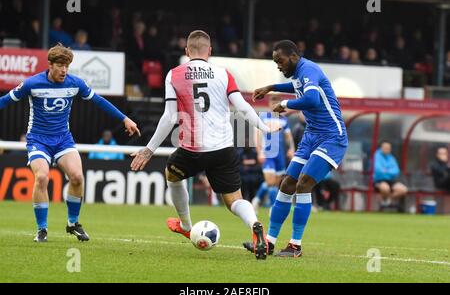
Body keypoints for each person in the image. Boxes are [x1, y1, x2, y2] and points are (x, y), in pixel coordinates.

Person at [130, 30, 279, 260]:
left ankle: (186, 225)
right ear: (209, 51)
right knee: (234, 200)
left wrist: (149, 149)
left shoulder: (174, 74)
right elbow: (243, 106)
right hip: (223, 150)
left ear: (186, 51)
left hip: (192, 150)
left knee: (172, 174)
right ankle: (255, 224)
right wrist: (263, 127)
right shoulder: (223, 74)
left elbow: (169, 117)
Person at [0, 44, 140, 242]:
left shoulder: (75, 83)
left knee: (77, 177)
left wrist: (125, 118)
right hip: (38, 140)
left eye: (67, 66)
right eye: (60, 65)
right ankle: (42, 229)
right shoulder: (32, 84)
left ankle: (73, 224)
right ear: (50, 65)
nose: (64, 70)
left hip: (63, 139)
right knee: (42, 178)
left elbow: (99, 101)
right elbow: (5, 100)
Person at [243, 40, 348, 257]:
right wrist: (271, 87)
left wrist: (285, 104)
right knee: (287, 183)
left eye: (280, 61)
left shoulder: (308, 68)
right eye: (275, 63)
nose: (278, 66)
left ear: (293, 57)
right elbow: (297, 87)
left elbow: (311, 99)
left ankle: (295, 245)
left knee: (303, 184)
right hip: (312, 136)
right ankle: (269, 242)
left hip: (331, 137)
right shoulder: (301, 75)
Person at [252, 94, 295, 211]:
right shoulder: (263, 117)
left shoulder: (284, 120)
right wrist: (259, 151)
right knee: (270, 182)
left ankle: (256, 200)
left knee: (275, 183)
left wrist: (291, 149)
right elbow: (257, 135)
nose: (274, 106)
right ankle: (273, 208)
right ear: (269, 105)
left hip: (280, 155)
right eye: (272, 104)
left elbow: (288, 137)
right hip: (267, 153)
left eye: (277, 104)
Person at [373, 141, 408, 211]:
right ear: (381, 148)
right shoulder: (376, 156)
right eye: (385, 148)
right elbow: (378, 170)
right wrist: (389, 171)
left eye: (388, 148)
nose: (387, 149)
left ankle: (387, 200)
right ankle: (385, 201)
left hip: (391, 180)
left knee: (403, 189)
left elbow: (396, 171)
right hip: (379, 180)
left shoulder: (392, 158)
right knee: (385, 188)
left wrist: (386, 170)